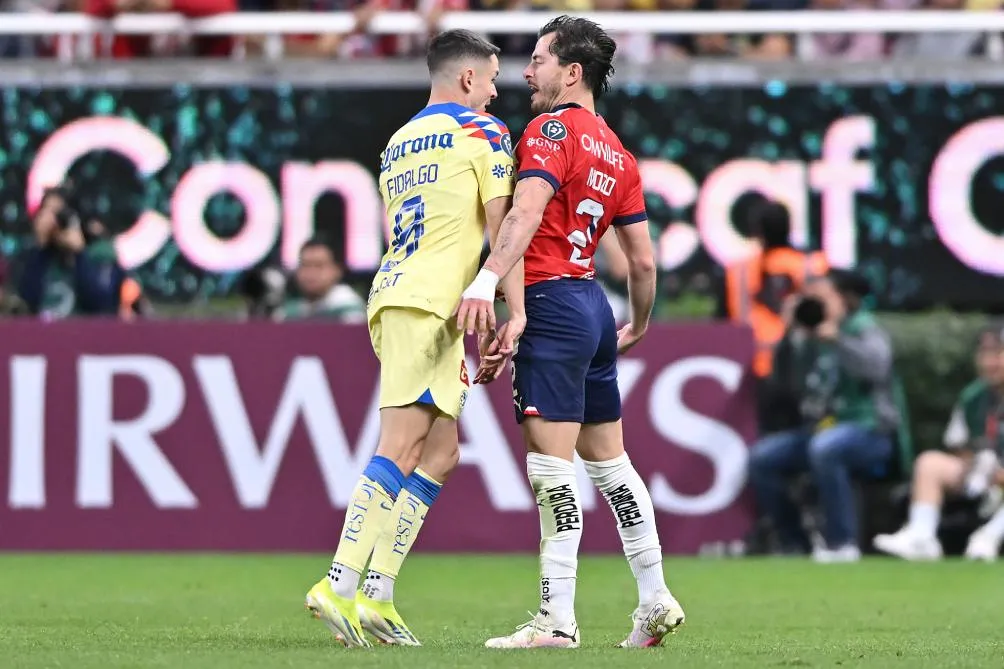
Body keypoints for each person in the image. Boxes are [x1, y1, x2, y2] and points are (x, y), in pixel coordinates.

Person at [455, 15, 685, 650]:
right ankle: (656, 596)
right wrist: (637, 322)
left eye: (538, 60)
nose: (527, 73)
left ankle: (556, 618)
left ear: (571, 72)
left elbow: (526, 211)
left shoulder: (549, 129)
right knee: (611, 464)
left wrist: (486, 281)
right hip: (592, 304)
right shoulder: (618, 151)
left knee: (550, 469)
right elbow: (641, 260)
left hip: (552, 302)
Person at [303, 29, 525, 648]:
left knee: (440, 454)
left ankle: (378, 593)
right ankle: (339, 583)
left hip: (405, 293)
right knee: (402, 445)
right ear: (466, 80)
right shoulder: (485, 131)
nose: (496, 87)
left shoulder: (399, 141)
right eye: (492, 77)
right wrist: (511, 307)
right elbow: (504, 230)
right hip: (433, 302)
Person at [747, 270, 907, 563]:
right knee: (762, 458)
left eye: (823, 297)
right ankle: (794, 543)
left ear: (844, 299)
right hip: (818, 431)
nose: (816, 304)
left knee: (827, 448)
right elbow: (785, 385)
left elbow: (876, 369)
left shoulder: (862, 328)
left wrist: (839, 340)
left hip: (869, 430)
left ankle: (841, 542)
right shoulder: (807, 336)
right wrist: (789, 334)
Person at [873, 323, 1004, 562]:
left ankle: (988, 538)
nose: (989, 363)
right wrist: (977, 467)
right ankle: (922, 537)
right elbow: (958, 444)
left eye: (997, 354)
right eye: (984, 354)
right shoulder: (973, 397)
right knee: (930, 462)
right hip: (984, 478)